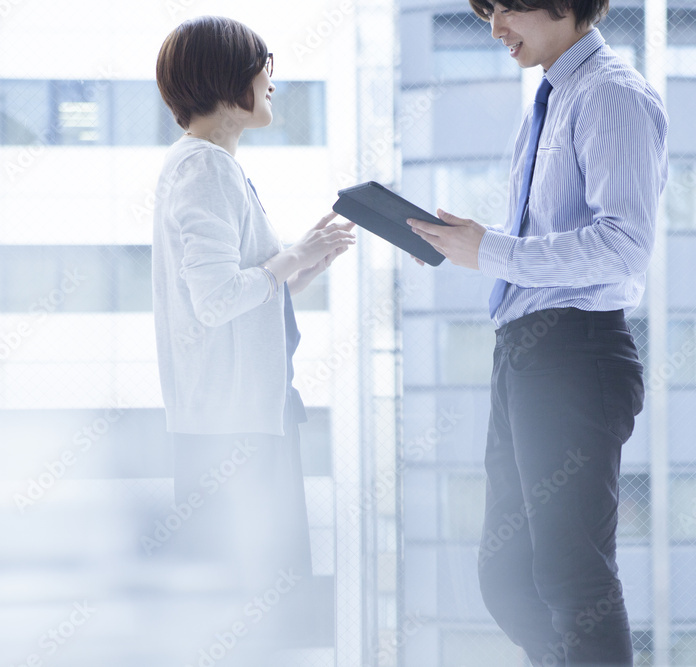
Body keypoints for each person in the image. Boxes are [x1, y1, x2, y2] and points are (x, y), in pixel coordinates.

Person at [408, 1, 668, 665]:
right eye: (486, 11)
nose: (495, 27)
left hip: (575, 350)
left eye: (509, 8)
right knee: (507, 579)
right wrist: (471, 246)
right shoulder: (551, 98)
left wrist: (490, 250)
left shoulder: (613, 96)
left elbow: (623, 246)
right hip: (523, 349)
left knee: (572, 579)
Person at [152, 15, 354, 663]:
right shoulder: (205, 169)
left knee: (246, 615)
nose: (273, 81)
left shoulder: (211, 168)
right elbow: (215, 301)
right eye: (266, 64)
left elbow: (243, 299)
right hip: (231, 433)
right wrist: (293, 258)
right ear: (227, 78)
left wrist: (307, 260)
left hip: (241, 421)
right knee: (247, 616)